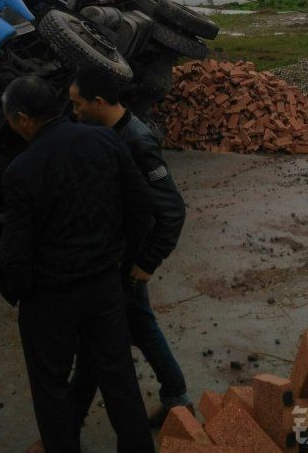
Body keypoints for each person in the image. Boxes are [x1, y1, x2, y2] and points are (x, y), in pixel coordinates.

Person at [0, 75, 155, 453]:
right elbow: (142, 207)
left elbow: (16, 252)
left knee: (50, 388)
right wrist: (124, 260)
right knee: (119, 379)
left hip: (50, 298)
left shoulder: (21, 170)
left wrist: (19, 292)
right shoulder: (105, 140)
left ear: (23, 120)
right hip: (103, 287)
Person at [69, 66, 191, 428]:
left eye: (77, 105)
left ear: (99, 102)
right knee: (141, 326)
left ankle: (68, 423)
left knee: (100, 339)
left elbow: (172, 209)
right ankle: (177, 398)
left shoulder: (137, 141)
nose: (73, 112)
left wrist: (148, 262)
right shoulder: (105, 132)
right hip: (116, 256)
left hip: (128, 262)